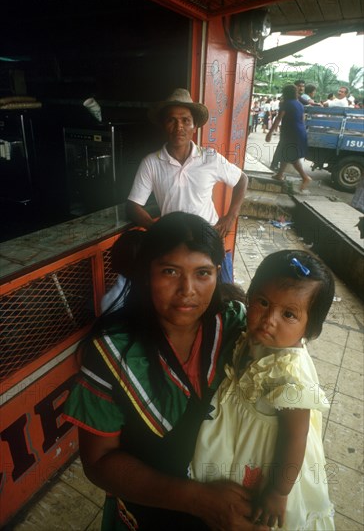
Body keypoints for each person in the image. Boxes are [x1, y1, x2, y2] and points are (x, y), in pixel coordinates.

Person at [62, 211, 269, 531]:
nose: (187, 290)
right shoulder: (111, 354)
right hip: (149, 515)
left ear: (217, 273)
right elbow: (99, 462)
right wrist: (198, 499)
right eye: (170, 271)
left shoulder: (234, 324)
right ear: (146, 274)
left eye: (202, 273)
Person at [190, 249, 336, 530]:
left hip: (275, 461)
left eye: (289, 314)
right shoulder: (258, 338)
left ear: (311, 329)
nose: (269, 319)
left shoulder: (291, 374)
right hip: (241, 438)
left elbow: (296, 436)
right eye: (263, 302)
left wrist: (278, 492)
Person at [125, 88, 248, 282]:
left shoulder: (210, 158)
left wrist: (230, 216)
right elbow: (133, 205)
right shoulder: (151, 162)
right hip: (173, 244)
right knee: (182, 294)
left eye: (185, 120)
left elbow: (242, 179)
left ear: (195, 125)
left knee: (221, 294)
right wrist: (155, 227)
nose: (178, 127)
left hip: (209, 239)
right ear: (164, 125)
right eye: (171, 120)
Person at [265, 84, 312, 192]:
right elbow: (302, 119)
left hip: (291, 133)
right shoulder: (299, 104)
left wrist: (270, 133)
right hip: (299, 132)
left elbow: (278, 119)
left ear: (285, 93)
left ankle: (305, 177)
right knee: (285, 153)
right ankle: (280, 174)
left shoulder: (285, 104)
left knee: (292, 157)